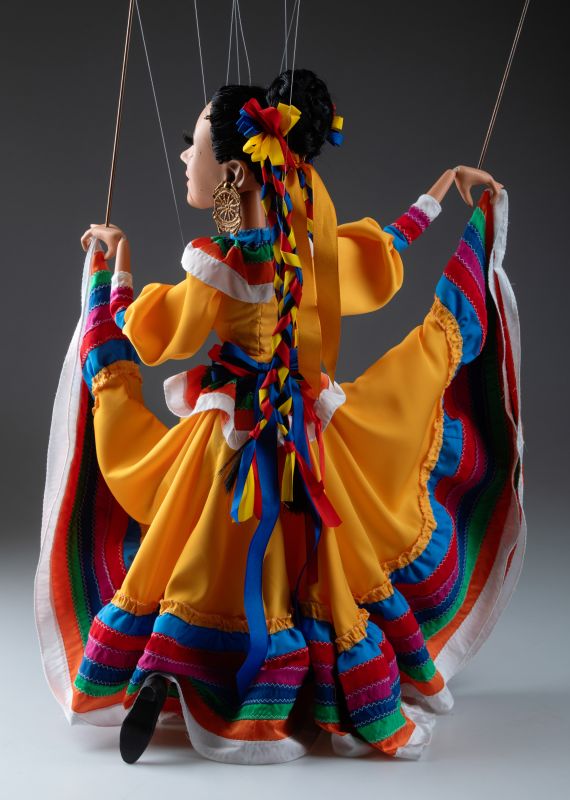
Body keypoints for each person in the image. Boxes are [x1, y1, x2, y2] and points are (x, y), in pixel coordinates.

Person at [36, 68, 524, 765]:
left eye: (194, 146)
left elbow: (148, 332)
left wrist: (116, 268)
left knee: (205, 546)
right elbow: (382, 250)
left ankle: (185, 667)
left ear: (234, 172)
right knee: (307, 558)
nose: (184, 158)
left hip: (230, 435)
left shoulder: (219, 266)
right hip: (301, 430)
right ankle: (267, 673)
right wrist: (443, 189)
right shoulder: (304, 250)